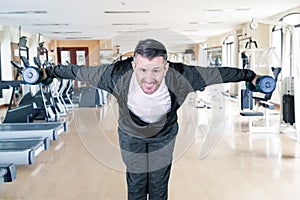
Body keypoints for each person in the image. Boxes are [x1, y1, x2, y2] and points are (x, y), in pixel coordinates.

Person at [45, 39, 259, 200]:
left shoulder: (184, 76)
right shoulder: (114, 74)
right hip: (131, 134)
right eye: (143, 70)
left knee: (158, 183)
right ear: (133, 66)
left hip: (163, 135)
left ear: (166, 67)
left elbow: (219, 73)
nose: (149, 79)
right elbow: (77, 71)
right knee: (137, 182)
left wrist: (251, 76)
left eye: (156, 70)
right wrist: (48, 72)